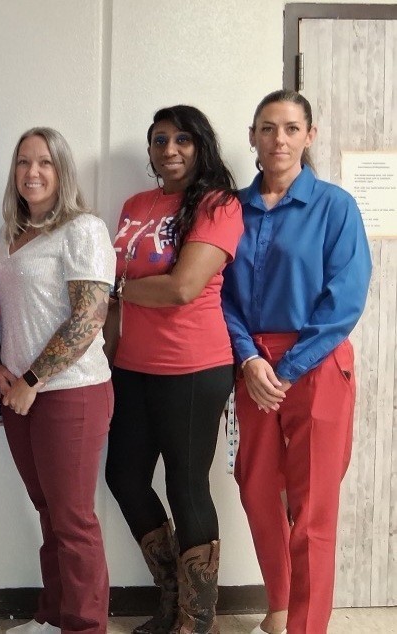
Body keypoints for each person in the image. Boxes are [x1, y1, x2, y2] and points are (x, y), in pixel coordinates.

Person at [222, 89, 371, 634]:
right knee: (257, 487)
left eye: (289, 128)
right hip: (252, 363)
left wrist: (286, 369)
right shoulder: (231, 209)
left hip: (318, 363)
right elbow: (222, 295)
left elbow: (345, 300)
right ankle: (279, 606)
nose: (278, 139)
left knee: (312, 507)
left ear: (309, 136)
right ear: (254, 137)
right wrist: (247, 360)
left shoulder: (335, 206)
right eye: (267, 128)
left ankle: (306, 627)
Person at [104, 105, 243, 634]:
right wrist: (109, 355)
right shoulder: (136, 204)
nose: (170, 149)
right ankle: (171, 597)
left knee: (186, 486)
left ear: (200, 144)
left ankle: (195, 619)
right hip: (132, 366)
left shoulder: (218, 204)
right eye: (160, 140)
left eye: (182, 139)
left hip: (193, 366)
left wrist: (118, 290)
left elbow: (184, 287)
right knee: (124, 476)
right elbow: (123, 300)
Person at [0, 127, 114, 634]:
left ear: (62, 171)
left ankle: (85, 627)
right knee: (49, 511)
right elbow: (8, 311)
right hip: (19, 391)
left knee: (74, 520)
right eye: (22, 162)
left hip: (70, 391)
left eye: (44, 163)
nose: (32, 172)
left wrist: (33, 377)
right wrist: (1, 367)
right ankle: (54, 617)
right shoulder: (9, 233)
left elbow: (88, 317)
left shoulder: (83, 228)